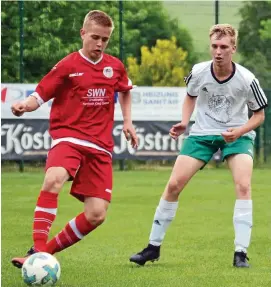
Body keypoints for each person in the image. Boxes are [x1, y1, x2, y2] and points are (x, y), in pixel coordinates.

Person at [129, 24, 268, 268]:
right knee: (173, 185)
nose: (218, 51)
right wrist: (184, 122)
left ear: (233, 49)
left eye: (224, 47)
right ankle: (153, 247)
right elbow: (190, 95)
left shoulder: (247, 79)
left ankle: (241, 253)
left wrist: (239, 131)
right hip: (202, 134)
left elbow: (259, 115)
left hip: (237, 136)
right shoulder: (199, 71)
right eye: (214, 46)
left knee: (243, 186)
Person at [11, 10, 138, 269]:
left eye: (105, 39)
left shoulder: (115, 66)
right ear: (83, 34)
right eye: (95, 37)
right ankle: (37, 250)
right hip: (68, 137)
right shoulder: (68, 65)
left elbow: (125, 90)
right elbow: (41, 94)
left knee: (96, 215)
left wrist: (127, 122)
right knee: (53, 179)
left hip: (100, 147)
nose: (100, 44)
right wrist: (25, 104)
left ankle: (43, 255)